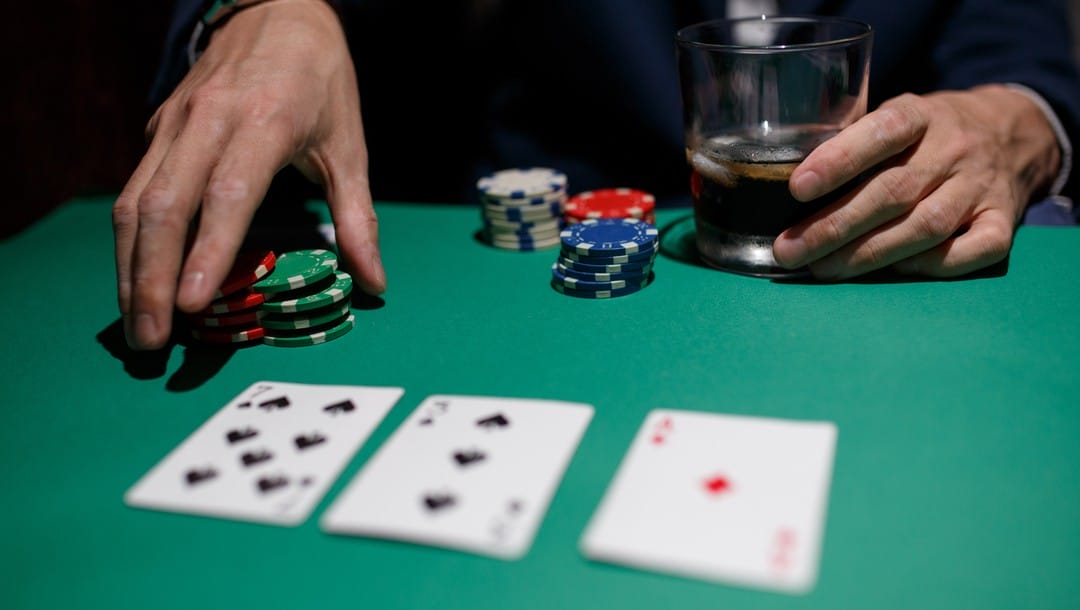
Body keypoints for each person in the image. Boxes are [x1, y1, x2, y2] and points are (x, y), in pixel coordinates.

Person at [114, 0, 1080, 350]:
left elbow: (1031, 64)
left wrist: (1019, 122)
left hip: (883, 294)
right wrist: (270, 6)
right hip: (529, 296)